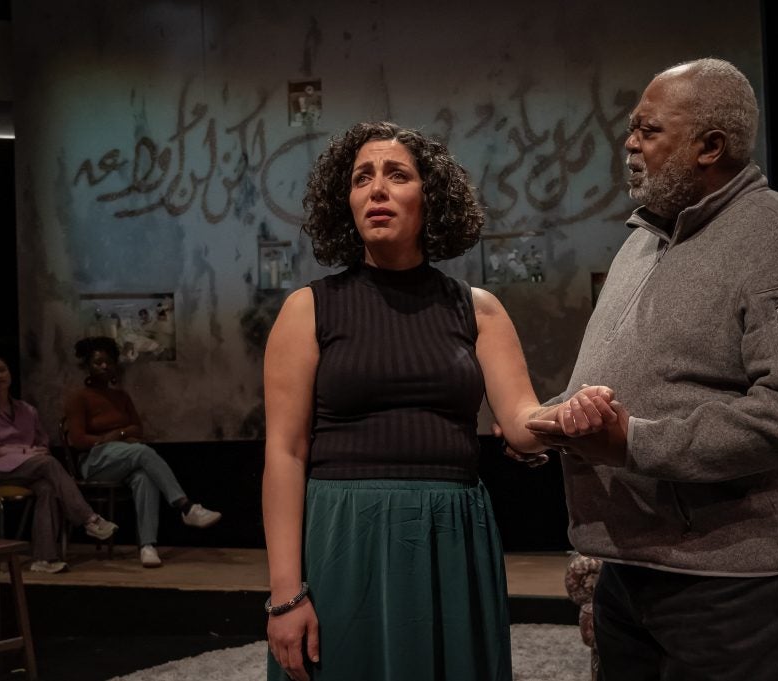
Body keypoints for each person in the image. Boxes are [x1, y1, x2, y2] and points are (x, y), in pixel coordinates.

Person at [525, 58, 778, 681]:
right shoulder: (643, 239)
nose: (628, 144)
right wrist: (560, 419)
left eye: (648, 130)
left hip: (729, 575)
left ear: (710, 146)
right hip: (633, 563)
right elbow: (631, 372)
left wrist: (635, 442)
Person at [262, 121, 615, 681]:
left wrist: (568, 414)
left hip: (450, 535)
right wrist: (285, 596)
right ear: (345, 201)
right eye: (361, 179)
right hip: (344, 538)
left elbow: (522, 422)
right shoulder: (307, 310)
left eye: (396, 175)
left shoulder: (478, 309)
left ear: (433, 198)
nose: (376, 190)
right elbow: (284, 454)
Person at [63, 336, 222, 568]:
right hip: (94, 462)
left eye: (108, 362)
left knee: (144, 476)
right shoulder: (79, 397)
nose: (104, 366)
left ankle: (147, 546)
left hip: (122, 457)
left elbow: (137, 428)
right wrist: (114, 438)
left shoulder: (121, 396)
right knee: (142, 452)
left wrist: (116, 436)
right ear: (87, 365)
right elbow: (78, 440)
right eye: (98, 362)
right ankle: (186, 507)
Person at [0, 355, 117, 573]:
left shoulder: (27, 410)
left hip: (29, 467)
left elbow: (42, 442)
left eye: (2, 370)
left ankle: (44, 559)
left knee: (47, 487)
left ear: (9, 374)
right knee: (48, 465)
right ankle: (89, 518)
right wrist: (25, 451)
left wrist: (34, 452)